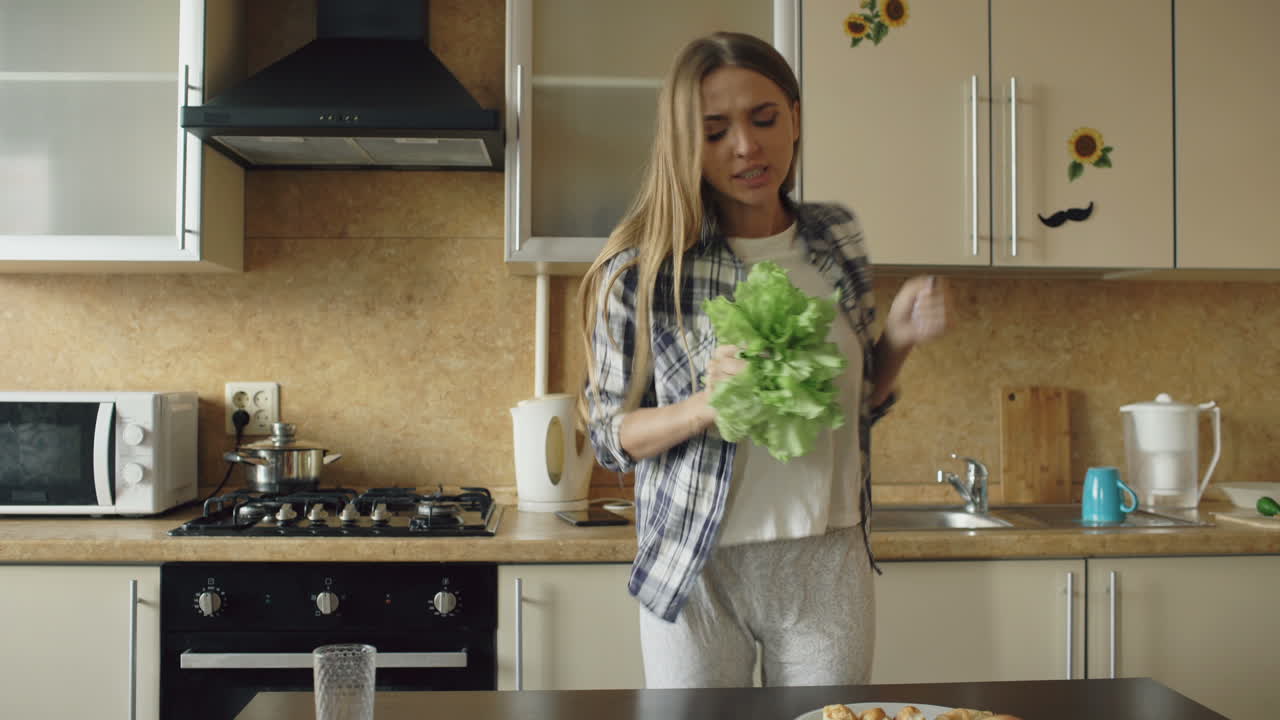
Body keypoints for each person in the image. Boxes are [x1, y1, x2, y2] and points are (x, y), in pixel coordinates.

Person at [576, 31, 948, 689]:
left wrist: (897, 338)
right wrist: (700, 409)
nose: (746, 146)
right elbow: (609, 437)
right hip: (697, 565)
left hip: (827, 562)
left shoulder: (836, 238)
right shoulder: (646, 269)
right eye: (715, 131)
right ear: (686, 144)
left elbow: (850, 407)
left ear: (796, 118)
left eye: (764, 118)